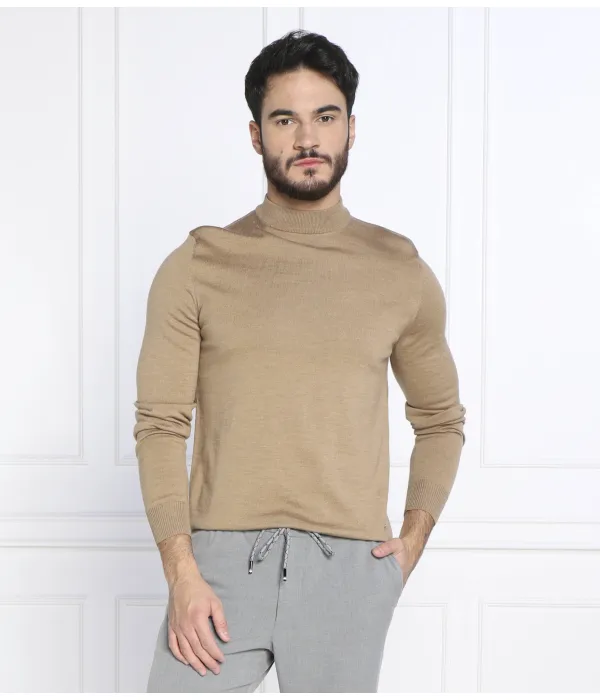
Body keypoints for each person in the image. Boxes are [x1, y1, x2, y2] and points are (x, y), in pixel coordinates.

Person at [133, 29, 466, 693]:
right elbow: (160, 425)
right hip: (218, 568)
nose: (308, 138)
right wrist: (182, 572)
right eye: (285, 119)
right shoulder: (197, 264)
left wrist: (408, 546)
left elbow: (440, 420)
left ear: (351, 129)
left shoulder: (399, 270)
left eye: (326, 117)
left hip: (349, 571)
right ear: (256, 134)